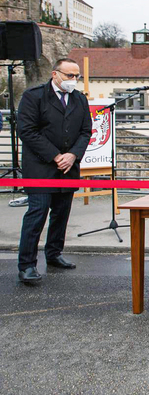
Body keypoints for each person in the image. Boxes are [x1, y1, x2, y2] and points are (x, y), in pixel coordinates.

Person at [16, 58, 92, 284]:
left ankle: (54, 253)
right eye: (69, 76)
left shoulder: (79, 99)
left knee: (61, 214)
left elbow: (86, 131)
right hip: (40, 167)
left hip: (68, 167)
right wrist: (55, 155)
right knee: (37, 214)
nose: (74, 80)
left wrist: (72, 155)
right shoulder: (34, 96)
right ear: (55, 74)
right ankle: (27, 265)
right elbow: (27, 130)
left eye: (76, 76)